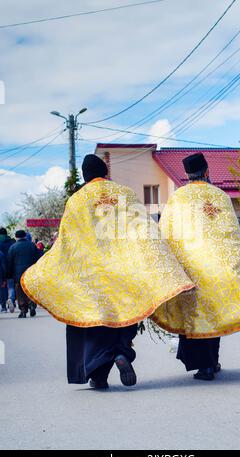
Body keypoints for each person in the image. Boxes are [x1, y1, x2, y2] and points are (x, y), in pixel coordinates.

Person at [22, 154, 194, 389]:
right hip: (127, 270)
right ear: (105, 171)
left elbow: (69, 244)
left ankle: (98, 375)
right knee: (126, 316)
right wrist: (159, 265)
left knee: (94, 323)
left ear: (85, 176)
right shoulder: (126, 194)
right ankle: (122, 352)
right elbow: (146, 231)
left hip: (94, 275)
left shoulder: (77, 201)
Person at [152, 152, 240, 380]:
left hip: (189, 268)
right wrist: (233, 263)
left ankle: (204, 365)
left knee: (194, 317)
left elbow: (165, 234)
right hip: (215, 266)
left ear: (187, 175)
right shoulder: (220, 197)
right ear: (207, 172)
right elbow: (233, 234)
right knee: (211, 316)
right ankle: (211, 363)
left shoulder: (178, 199)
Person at [7, 230, 39, 318]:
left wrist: (9, 275)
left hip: (18, 274)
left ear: (16, 237)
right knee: (30, 289)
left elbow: (10, 262)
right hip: (30, 272)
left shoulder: (13, 247)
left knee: (20, 291)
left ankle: (23, 310)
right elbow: (38, 259)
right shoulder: (32, 245)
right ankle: (31, 303)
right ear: (25, 236)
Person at [0, 227, 15, 313]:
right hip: (11, 266)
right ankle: (11, 300)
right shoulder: (12, 241)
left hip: (1, 266)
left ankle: (3, 306)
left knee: (2, 286)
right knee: (11, 285)